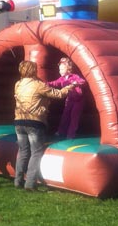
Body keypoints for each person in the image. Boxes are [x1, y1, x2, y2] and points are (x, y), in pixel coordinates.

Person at [13, 60, 75, 190]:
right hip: (34, 121)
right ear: (33, 71)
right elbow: (57, 94)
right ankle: (30, 183)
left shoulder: (18, 84)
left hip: (19, 121)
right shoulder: (38, 85)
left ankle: (18, 180)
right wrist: (69, 87)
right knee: (36, 152)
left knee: (23, 151)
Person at [47, 57, 86, 139]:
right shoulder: (61, 79)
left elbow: (82, 81)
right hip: (69, 100)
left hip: (78, 100)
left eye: (62, 69)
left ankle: (71, 134)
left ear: (68, 69)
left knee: (74, 117)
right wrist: (46, 84)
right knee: (65, 116)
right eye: (59, 69)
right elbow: (55, 83)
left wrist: (76, 83)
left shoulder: (74, 76)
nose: (60, 71)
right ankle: (61, 131)